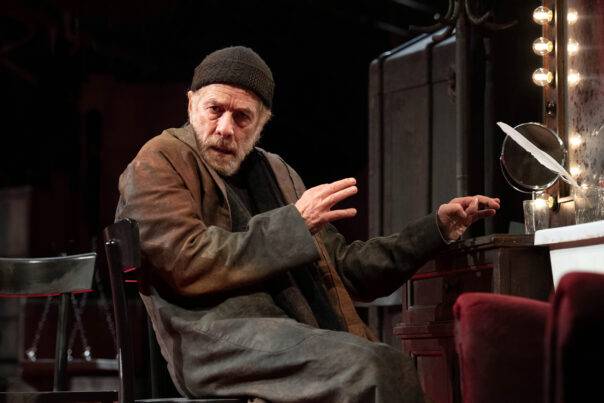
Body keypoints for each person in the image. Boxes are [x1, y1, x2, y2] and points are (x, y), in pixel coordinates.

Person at [115, 46, 500, 403]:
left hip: (290, 330)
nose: (225, 128)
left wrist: (434, 230)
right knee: (374, 367)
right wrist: (294, 224)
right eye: (215, 110)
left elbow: (345, 270)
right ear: (191, 103)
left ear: (261, 123)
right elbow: (186, 261)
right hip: (214, 340)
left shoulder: (277, 173)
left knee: (385, 362)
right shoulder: (159, 161)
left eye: (242, 116)